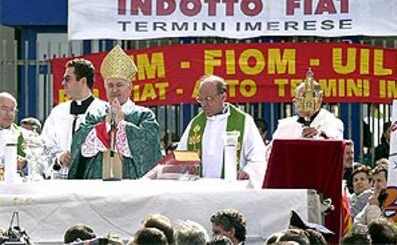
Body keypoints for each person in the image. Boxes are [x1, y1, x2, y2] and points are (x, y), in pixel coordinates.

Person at [68, 45, 162, 179]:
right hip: (97, 180)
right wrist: (105, 126)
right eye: (110, 85)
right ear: (105, 87)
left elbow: (149, 147)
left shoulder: (144, 115)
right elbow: (79, 143)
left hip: (131, 182)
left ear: (130, 87)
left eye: (119, 85)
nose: (114, 90)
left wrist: (122, 125)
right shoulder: (95, 115)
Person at [177, 75, 267, 186]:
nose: (204, 104)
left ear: (223, 96)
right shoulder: (195, 124)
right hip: (200, 191)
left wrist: (248, 171)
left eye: (209, 99)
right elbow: (181, 156)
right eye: (200, 99)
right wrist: (187, 168)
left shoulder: (244, 121)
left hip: (231, 190)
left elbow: (258, 157)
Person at [41, 58, 107, 179]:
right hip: (61, 179)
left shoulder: (103, 111)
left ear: (82, 81)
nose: (63, 83)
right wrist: (60, 156)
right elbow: (44, 143)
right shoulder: (58, 112)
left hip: (91, 180)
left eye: (67, 79)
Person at [272, 69, 343, 140]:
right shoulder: (285, 126)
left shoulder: (332, 122)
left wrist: (320, 134)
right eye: (303, 96)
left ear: (320, 100)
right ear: (295, 102)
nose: (307, 100)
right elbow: (272, 149)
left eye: (312, 95)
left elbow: (336, 140)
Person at [0, 92, 26, 172]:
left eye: (12, 110)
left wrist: (23, 164)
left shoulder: (21, 134)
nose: (9, 114)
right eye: (4, 109)